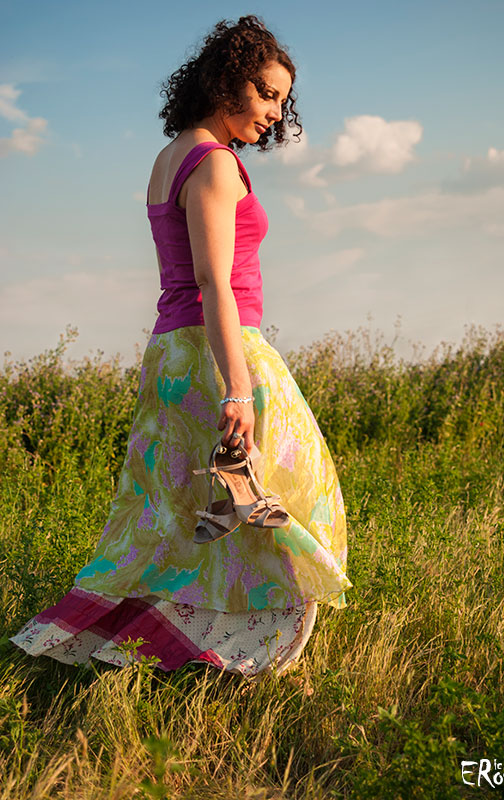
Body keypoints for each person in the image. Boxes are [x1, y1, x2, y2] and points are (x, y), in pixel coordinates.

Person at [9, 15, 352, 680]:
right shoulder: (216, 164)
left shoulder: (169, 158)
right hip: (217, 350)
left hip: (171, 354)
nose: (275, 113)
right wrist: (238, 388)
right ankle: (235, 651)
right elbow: (212, 281)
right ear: (225, 82)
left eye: (283, 100)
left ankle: (145, 647)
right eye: (266, 93)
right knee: (290, 493)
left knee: (173, 513)